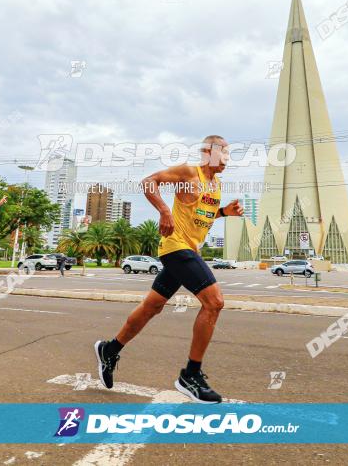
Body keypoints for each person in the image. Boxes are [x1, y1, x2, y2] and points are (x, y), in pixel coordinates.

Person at [94, 135, 243, 403]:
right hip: (176, 247)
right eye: (224, 154)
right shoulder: (189, 172)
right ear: (209, 152)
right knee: (214, 303)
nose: (227, 161)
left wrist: (224, 213)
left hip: (189, 249)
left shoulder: (216, 184)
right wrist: (164, 210)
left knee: (152, 306)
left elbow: (200, 214)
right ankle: (190, 375)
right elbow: (149, 182)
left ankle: (110, 349)